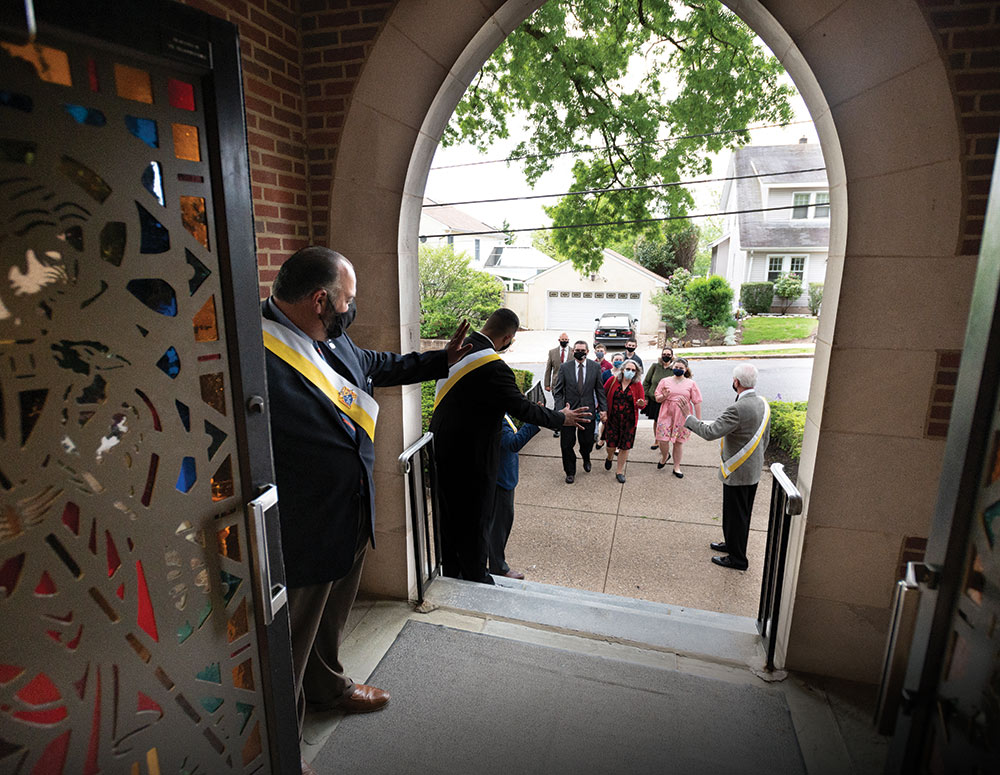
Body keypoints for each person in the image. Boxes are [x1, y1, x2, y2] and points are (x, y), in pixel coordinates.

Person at [261, 247, 469, 765]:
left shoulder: (329, 335)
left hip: (350, 514)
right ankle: (280, 747)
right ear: (319, 299)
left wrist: (440, 360)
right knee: (290, 641)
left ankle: (329, 688)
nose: (351, 309)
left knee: (331, 620)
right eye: (347, 300)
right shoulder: (250, 352)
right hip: (302, 528)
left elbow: (373, 366)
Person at [432, 309, 590, 583]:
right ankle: (475, 580)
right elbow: (523, 408)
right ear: (508, 338)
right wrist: (561, 418)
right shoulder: (494, 367)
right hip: (472, 463)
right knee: (475, 525)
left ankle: (451, 576)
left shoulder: (455, 352)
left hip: (442, 455)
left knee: (449, 523)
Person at [678, 363, 771, 572]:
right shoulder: (762, 403)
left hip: (738, 471)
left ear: (736, 382)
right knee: (737, 515)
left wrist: (688, 418)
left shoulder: (737, 409)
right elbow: (765, 438)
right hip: (752, 470)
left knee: (736, 516)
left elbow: (711, 432)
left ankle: (737, 559)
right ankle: (731, 544)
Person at [488, 414, 540, 579]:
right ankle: (498, 568)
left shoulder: (501, 412)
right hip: (501, 480)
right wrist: (534, 421)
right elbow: (513, 443)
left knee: (498, 525)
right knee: (499, 527)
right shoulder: (497, 417)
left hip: (503, 477)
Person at [553, 340, 608, 483]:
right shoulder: (565, 367)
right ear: (573, 351)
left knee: (586, 442)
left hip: (587, 412)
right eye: (577, 349)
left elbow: (600, 390)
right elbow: (558, 391)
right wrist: (561, 410)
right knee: (566, 444)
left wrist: (603, 409)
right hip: (568, 413)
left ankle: (586, 457)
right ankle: (570, 471)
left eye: (583, 350)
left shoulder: (595, 367)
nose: (580, 352)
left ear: (587, 352)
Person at [654, 358, 702, 478]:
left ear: (685, 370)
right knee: (662, 440)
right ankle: (665, 456)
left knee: (678, 442)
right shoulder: (664, 381)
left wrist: (698, 421)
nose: (678, 370)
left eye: (681, 368)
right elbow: (657, 398)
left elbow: (697, 401)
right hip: (666, 413)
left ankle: (677, 467)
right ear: (672, 367)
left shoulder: (691, 384)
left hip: (682, 415)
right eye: (676, 367)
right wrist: (663, 396)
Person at [602, 358, 647, 483]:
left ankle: (619, 471)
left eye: (633, 370)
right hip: (612, 419)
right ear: (622, 370)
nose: (630, 372)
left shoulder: (637, 385)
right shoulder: (612, 381)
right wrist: (602, 411)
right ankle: (610, 457)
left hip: (629, 422)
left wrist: (641, 403)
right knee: (610, 445)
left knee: (624, 447)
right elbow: (602, 395)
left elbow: (642, 404)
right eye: (628, 369)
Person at [642, 347, 674, 449]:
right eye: (664, 354)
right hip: (654, 399)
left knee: (666, 421)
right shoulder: (655, 367)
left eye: (668, 354)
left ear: (672, 356)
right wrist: (645, 396)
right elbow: (646, 382)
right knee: (657, 420)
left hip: (668, 401)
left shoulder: (674, 369)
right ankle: (657, 440)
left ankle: (665, 439)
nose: (666, 356)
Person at [544, 332, 571, 437]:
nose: (564, 341)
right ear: (559, 340)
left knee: (567, 404)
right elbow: (548, 369)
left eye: (566, 339)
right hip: (556, 383)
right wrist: (547, 384)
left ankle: (567, 425)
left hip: (569, 384)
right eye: (562, 339)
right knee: (558, 405)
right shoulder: (552, 352)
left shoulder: (573, 352)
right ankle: (557, 427)